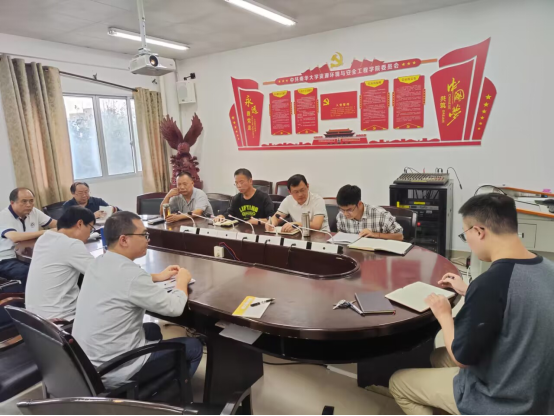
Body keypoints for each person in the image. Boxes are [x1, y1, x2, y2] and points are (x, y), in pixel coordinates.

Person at [389, 194, 554, 415]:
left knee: (398, 382)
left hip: (505, 401)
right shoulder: (548, 268)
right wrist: (469, 290)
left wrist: (444, 314)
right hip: (538, 390)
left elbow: (461, 358)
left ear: (478, 231)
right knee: (437, 357)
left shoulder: (490, 283)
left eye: (465, 234)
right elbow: (517, 299)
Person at [73, 211, 202, 388]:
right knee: (194, 347)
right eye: (144, 235)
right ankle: (169, 395)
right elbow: (175, 307)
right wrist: (182, 280)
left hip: (88, 364)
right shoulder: (131, 276)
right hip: (114, 369)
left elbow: (123, 281)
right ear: (124, 240)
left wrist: (157, 276)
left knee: (153, 330)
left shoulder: (98, 262)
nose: (148, 239)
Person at [26, 206, 96, 322]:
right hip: (60, 321)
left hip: (34, 321)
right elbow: (100, 273)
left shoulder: (43, 239)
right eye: (91, 228)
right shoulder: (71, 244)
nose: (89, 234)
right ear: (80, 224)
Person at [0, 188, 57, 290]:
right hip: (6, 259)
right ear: (12, 203)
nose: (29, 204)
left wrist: (68, 225)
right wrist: (45, 232)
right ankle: (32, 298)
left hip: (28, 255)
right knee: (30, 272)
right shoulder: (3, 216)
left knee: (56, 266)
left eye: (31, 201)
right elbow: (15, 237)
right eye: (24, 201)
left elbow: (54, 224)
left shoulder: (34, 212)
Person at [336, 185, 403, 240]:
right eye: (342, 209)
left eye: (349, 210)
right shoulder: (340, 216)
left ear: (359, 204)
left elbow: (400, 236)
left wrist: (375, 234)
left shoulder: (381, 215)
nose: (345, 214)